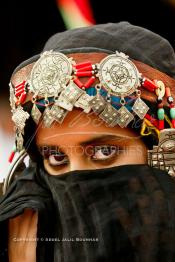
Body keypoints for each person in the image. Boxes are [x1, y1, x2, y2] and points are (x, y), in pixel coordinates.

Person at [0, 22, 175, 262]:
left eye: (104, 152)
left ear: (163, 151)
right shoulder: (27, 243)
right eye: (57, 158)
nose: (77, 178)